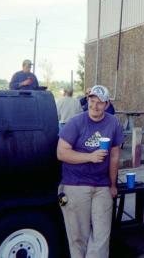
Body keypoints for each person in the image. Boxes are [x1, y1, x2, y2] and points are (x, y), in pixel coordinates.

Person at [56, 85, 124, 258]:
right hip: (76, 184)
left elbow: (115, 156)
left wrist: (113, 184)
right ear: (87, 101)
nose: (95, 106)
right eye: (92, 101)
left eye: (99, 102)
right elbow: (61, 153)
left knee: (101, 237)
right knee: (79, 237)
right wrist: (90, 157)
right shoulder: (75, 122)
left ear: (107, 104)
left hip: (102, 185)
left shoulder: (113, 122)